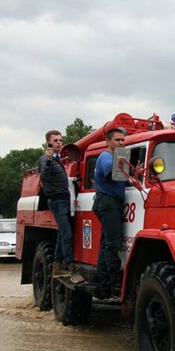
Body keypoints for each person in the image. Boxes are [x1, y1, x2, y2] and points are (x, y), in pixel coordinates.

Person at [40, 130, 84, 284]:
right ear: (48, 142)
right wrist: (50, 159)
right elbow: (44, 177)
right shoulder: (46, 159)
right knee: (67, 234)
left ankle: (57, 266)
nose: (59, 142)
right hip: (57, 200)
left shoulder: (58, 159)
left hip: (63, 199)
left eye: (60, 140)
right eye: (56, 140)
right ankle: (72, 269)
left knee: (61, 233)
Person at [92, 127, 129, 297]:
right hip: (108, 203)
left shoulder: (115, 157)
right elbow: (112, 171)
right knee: (112, 244)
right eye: (118, 140)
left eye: (123, 140)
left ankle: (102, 285)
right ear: (108, 141)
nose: (121, 143)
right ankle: (115, 285)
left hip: (109, 202)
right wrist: (126, 165)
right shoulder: (105, 157)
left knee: (105, 243)